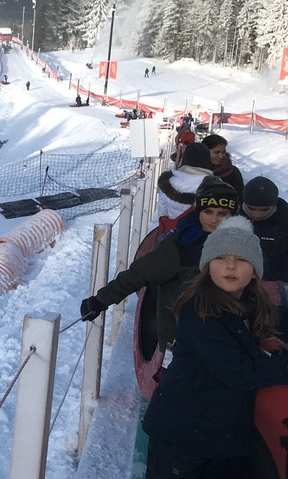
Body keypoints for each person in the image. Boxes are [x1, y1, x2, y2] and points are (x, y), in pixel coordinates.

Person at [140, 216, 288, 479]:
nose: (230, 267)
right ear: (208, 266)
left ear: (255, 270)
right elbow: (238, 371)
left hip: (208, 437)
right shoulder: (201, 311)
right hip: (180, 437)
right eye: (221, 259)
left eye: (241, 260)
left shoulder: (244, 304)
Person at [81, 176, 239, 351]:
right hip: (182, 339)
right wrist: (99, 301)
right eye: (208, 212)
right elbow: (140, 273)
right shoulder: (181, 244)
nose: (214, 219)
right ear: (197, 211)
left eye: (222, 213)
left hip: (224, 336)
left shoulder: (241, 244)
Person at [242, 176, 288, 281]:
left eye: (264, 210)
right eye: (251, 208)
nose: (257, 215)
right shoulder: (231, 215)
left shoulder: (284, 221)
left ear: (274, 205)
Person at [156, 141, 213, 221]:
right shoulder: (214, 186)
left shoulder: (169, 183)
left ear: (184, 159)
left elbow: (162, 217)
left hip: (175, 232)